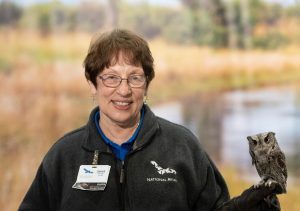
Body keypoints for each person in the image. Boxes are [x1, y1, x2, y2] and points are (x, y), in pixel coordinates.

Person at [19, 29, 281, 211]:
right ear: (92, 83)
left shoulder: (183, 146)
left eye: (135, 77)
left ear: (147, 84)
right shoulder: (63, 155)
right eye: (111, 77)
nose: (123, 90)